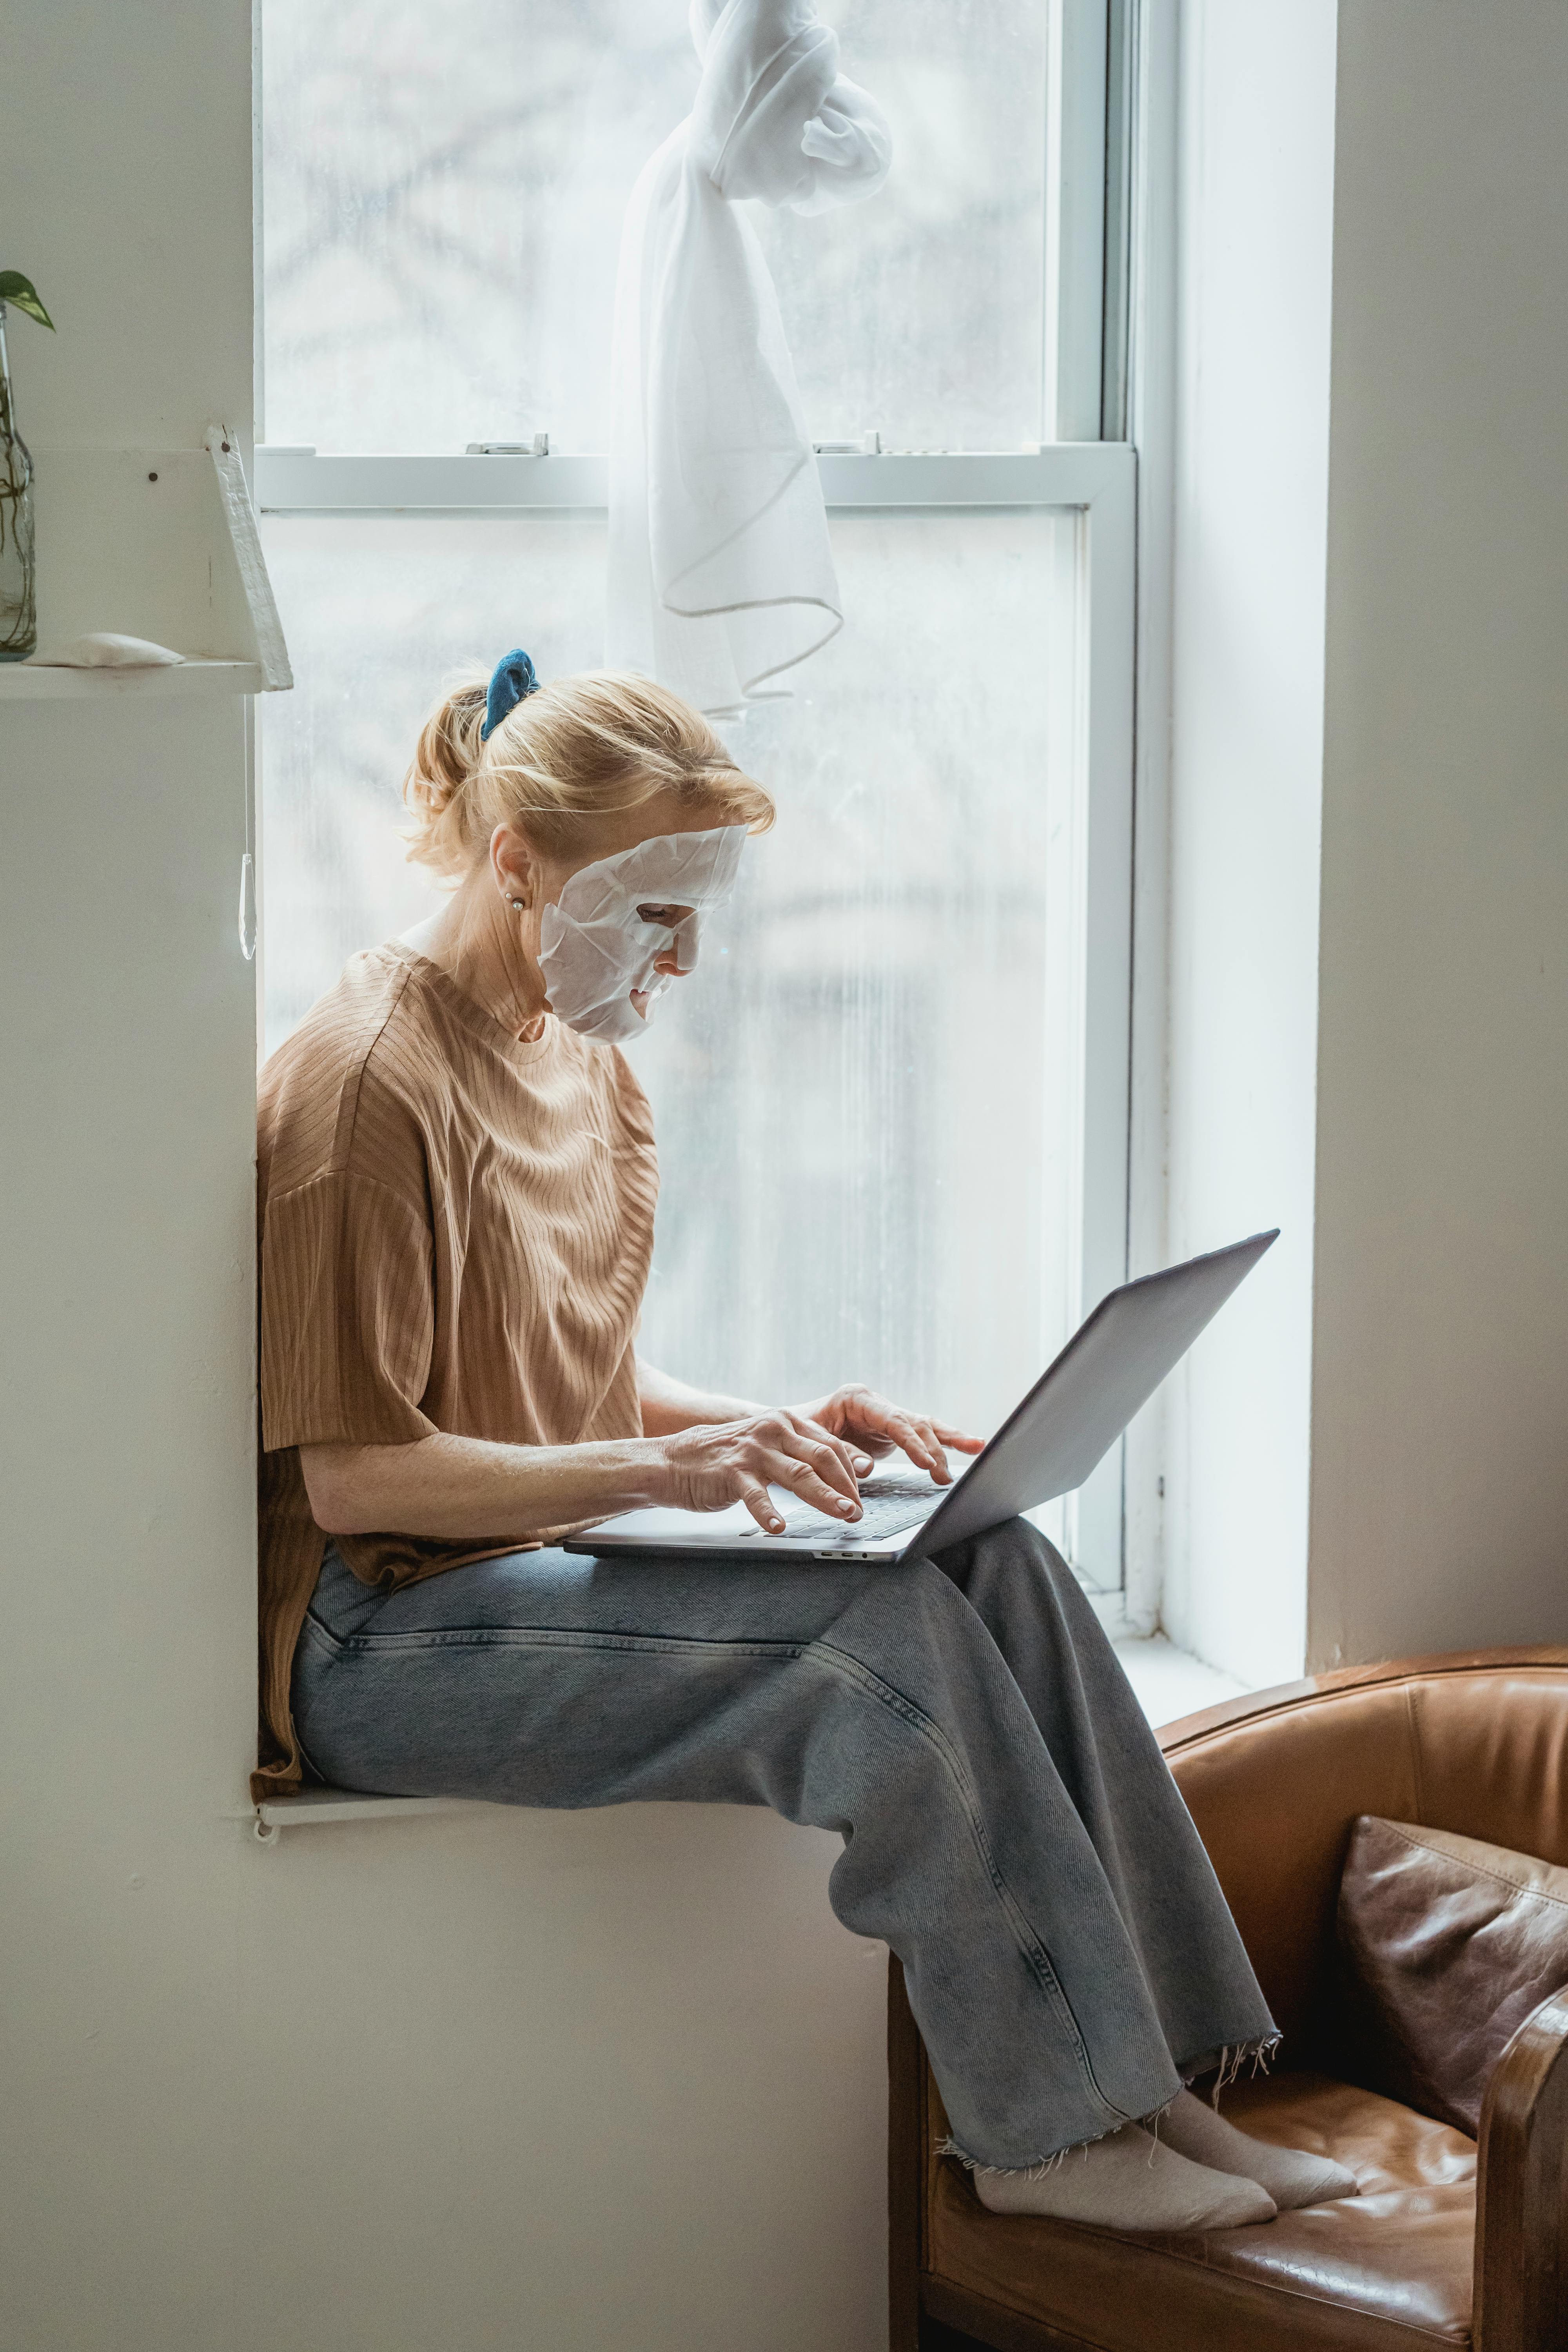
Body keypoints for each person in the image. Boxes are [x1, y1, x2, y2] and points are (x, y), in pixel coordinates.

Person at [254, 651, 1357, 2230]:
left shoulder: (579, 1067)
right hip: (375, 1628)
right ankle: (1047, 2138)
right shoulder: (363, 1090)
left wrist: (773, 1424)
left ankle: (1161, 2081)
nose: (685, 958)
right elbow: (361, 1476)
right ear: (518, 864)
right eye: (654, 913)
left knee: (999, 1563)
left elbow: (571, 1374)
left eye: (701, 918)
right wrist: (665, 1473)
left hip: (516, 1573)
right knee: (874, 1649)